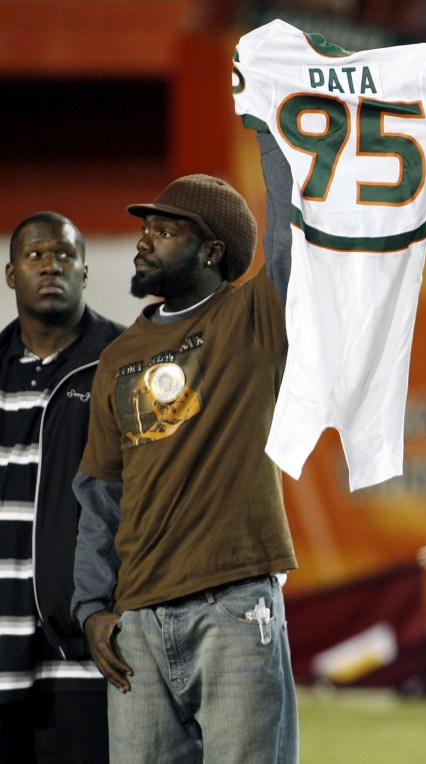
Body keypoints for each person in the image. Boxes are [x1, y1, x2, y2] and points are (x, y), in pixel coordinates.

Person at [70, 169, 299, 763]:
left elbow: (287, 240)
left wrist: (274, 134)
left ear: (212, 252)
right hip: (138, 622)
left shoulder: (252, 316)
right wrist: (93, 608)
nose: (144, 240)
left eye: (164, 231)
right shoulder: (118, 355)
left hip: (235, 605)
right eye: (145, 229)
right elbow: (100, 492)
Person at [1, 212, 122, 762]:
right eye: (35, 255)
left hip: (83, 654)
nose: (52, 265)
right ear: (10, 275)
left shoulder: (123, 363)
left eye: (65, 255)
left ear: (86, 271)